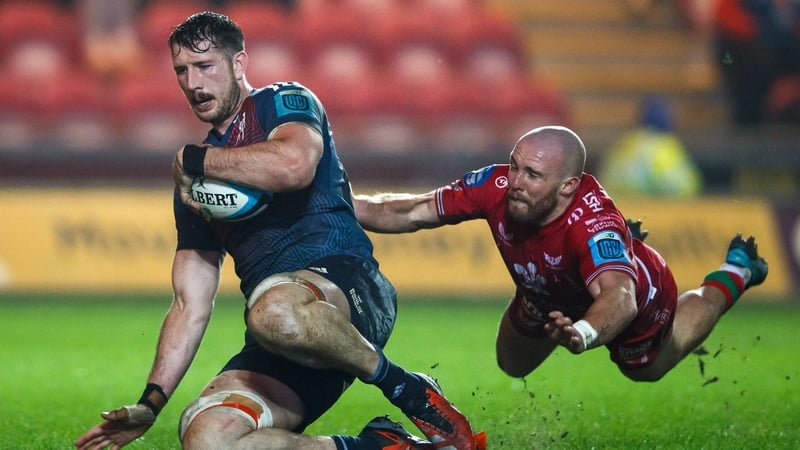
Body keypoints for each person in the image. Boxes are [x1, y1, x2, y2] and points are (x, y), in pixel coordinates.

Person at [75, 11, 481, 450]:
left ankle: (407, 388)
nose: (193, 83)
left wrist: (195, 160)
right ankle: (381, 446)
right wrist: (151, 403)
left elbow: (295, 165)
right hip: (280, 336)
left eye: (205, 66)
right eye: (182, 71)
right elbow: (189, 303)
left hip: (349, 290)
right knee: (206, 438)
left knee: (273, 311)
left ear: (238, 64)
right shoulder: (194, 186)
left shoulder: (283, 102)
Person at [353, 125, 768, 384]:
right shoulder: (498, 186)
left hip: (634, 298)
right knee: (511, 364)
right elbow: (413, 210)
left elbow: (621, 299)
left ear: (568, 187)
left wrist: (583, 332)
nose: (516, 181)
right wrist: (340, 204)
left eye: (533, 175)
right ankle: (602, 260)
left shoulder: (592, 224)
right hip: (549, 291)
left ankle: (735, 272)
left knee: (647, 369)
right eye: (515, 165)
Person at [598, 95, 703, 198]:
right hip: (651, 206)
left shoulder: (624, 143)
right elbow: (686, 188)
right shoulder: (664, 146)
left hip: (614, 205)